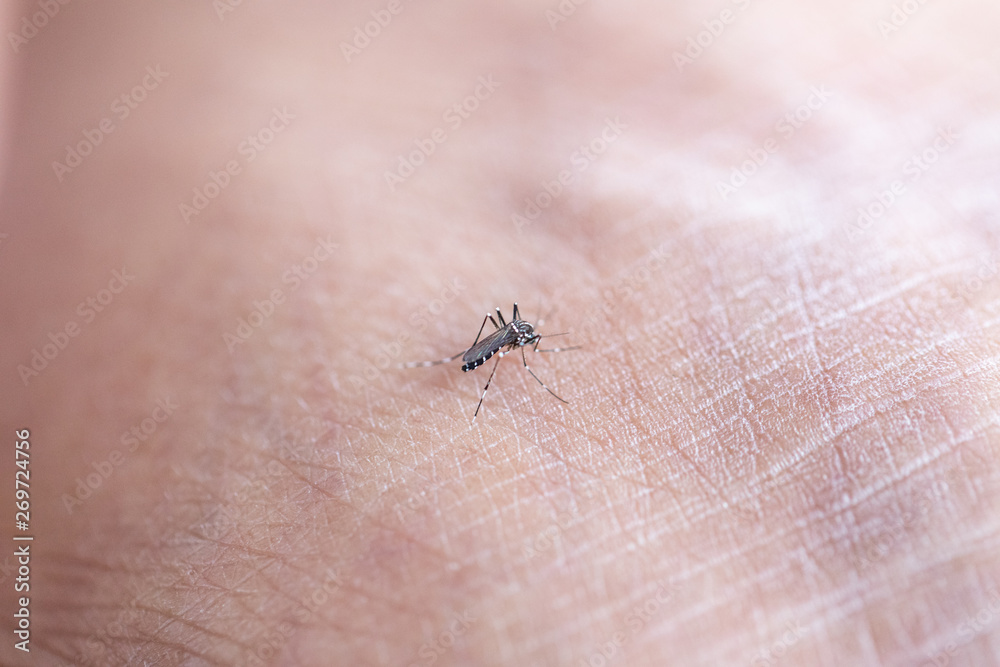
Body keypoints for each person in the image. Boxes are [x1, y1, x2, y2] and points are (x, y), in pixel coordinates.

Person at [2, 1, 997, 664]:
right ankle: (460, 376)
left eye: (513, 341)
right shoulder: (509, 339)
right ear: (513, 336)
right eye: (517, 339)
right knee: (487, 366)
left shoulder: (522, 325)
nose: (518, 339)